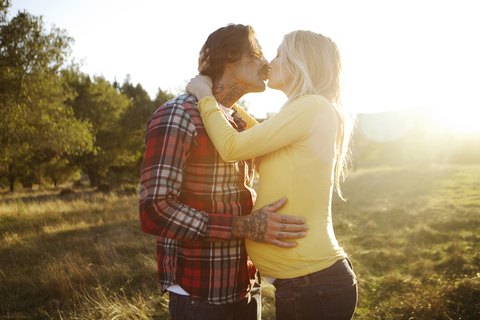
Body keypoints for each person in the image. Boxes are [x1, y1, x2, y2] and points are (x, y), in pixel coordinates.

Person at [138, 24, 309, 320]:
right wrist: (244, 227)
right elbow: (154, 210)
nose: (266, 63)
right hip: (199, 294)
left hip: (246, 287)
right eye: (256, 54)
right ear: (229, 57)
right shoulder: (178, 115)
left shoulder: (239, 125)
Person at [187, 30, 358, 319]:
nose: (270, 63)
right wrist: (226, 102)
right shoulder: (309, 109)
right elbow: (258, 140)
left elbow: (232, 147)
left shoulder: (311, 106)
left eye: (279, 55)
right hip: (309, 283)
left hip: (311, 283)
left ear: (300, 62)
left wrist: (205, 96)